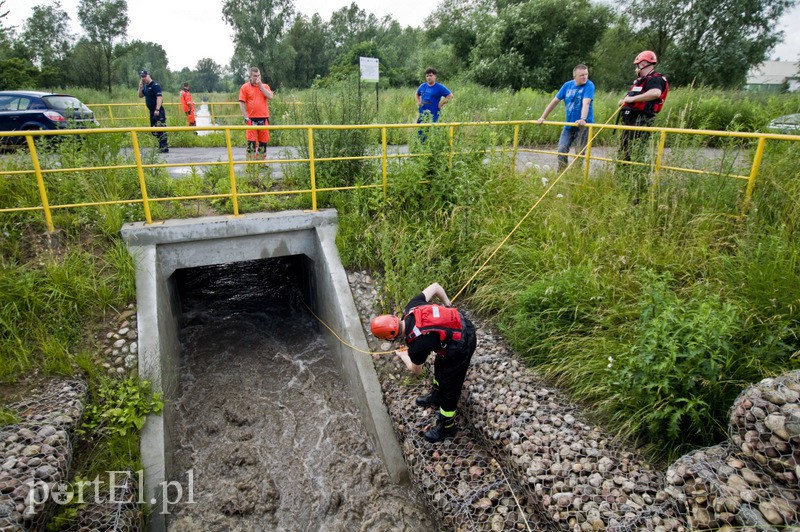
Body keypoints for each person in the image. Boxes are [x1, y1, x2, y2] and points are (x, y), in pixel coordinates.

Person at [370, 282, 477, 443]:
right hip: (456, 327)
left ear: (391, 337)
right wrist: (447, 303)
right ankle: (436, 396)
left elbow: (416, 370)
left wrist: (403, 356)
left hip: (464, 341)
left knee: (450, 386)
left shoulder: (416, 346)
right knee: (439, 364)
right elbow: (435, 286)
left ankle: (447, 427)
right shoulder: (411, 308)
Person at [537, 64, 595, 172]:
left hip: (583, 125)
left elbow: (586, 103)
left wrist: (583, 119)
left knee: (579, 152)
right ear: (575, 77)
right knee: (561, 148)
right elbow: (554, 102)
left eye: (586, 74)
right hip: (569, 124)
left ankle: (576, 175)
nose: (585, 77)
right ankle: (561, 172)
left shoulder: (589, 85)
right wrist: (542, 117)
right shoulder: (567, 86)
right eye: (581, 75)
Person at [618, 51, 669, 162]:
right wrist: (624, 101)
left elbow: (655, 93)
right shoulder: (640, 81)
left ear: (643, 64)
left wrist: (632, 99)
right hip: (629, 119)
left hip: (642, 119)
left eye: (637, 66)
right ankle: (622, 172)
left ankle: (636, 175)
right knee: (624, 150)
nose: (636, 69)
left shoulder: (656, 79)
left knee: (636, 150)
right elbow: (632, 95)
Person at [238, 67, 273, 160]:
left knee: (263, 142)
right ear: (250, 76)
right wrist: (246, 117)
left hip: (263, 118)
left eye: (258, 76)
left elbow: (270, 96)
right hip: (251, 119)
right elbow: (241, 103)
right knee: (251, 143)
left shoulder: (265, 86)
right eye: (254, 76)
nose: (256, 78)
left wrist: (261, 86)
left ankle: (262, 163)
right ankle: (250, 165)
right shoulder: (245, 87)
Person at [137, 70, 169, 153]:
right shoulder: (146, 87)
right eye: (142, 77)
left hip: (158, 110)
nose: (143, 78)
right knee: (153, 130)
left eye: (144, 76)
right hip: (151, 111)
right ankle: (161, 145)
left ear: (148, 75)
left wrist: (157, 109)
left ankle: (164, 147)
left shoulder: (155, 85)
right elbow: (140, 95)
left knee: (161, 128)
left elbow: (159, 98)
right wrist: (140, 87)